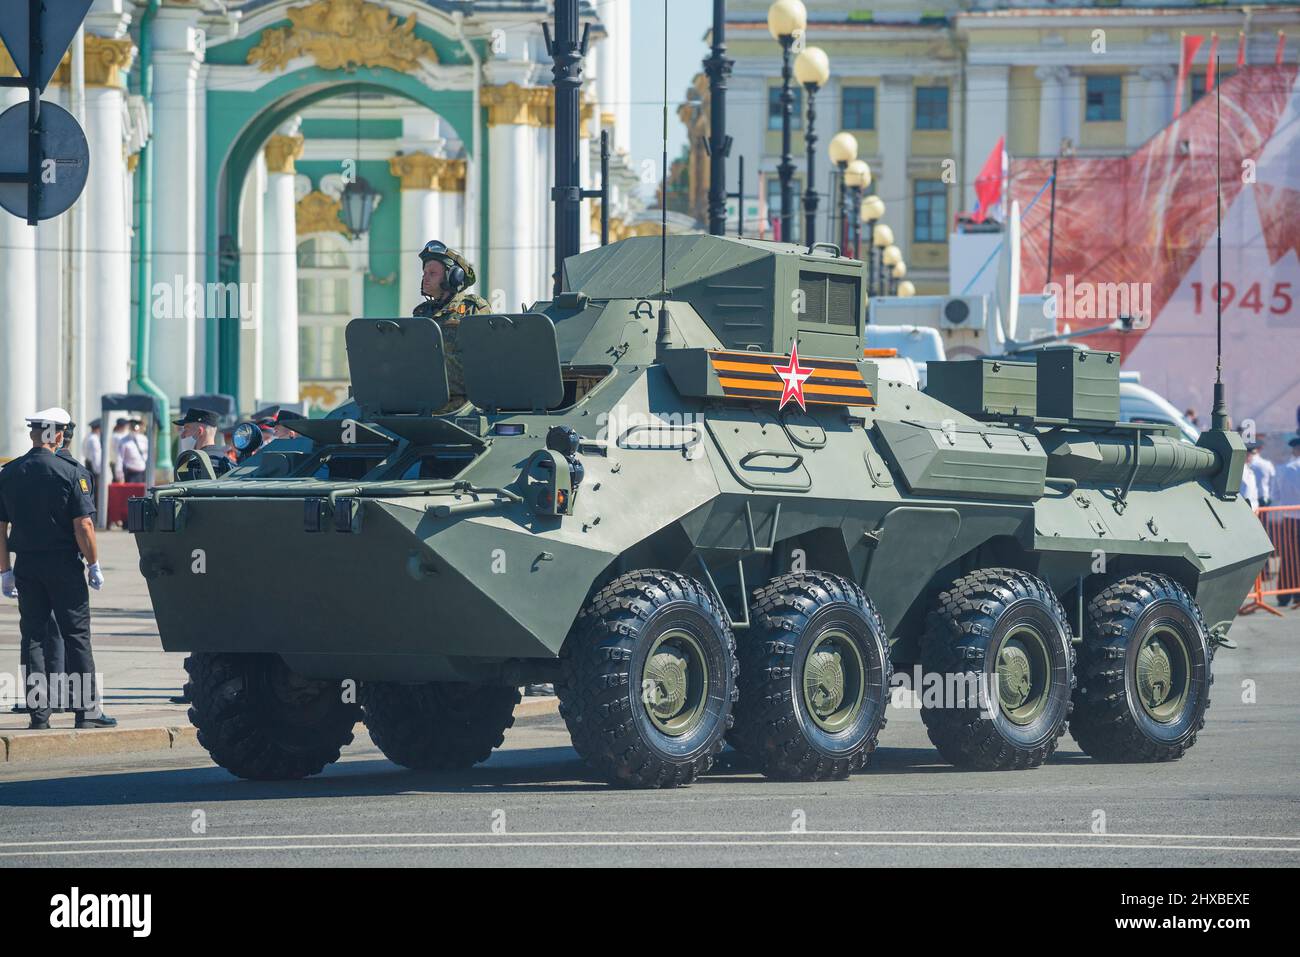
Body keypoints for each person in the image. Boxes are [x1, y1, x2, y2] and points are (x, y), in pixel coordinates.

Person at [0, 408, 115, 730]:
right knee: (76, 636)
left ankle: (40, 714)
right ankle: (86, 711)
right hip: (64, 565)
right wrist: (93, 563)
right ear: (60, 435)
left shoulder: (9, 473)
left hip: (27, 566)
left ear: (34, 434)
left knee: (33, 637)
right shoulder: (70, 472)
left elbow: (0, 528)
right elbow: (85, 524)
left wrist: (4, 571)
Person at [412, 240, 489, 411]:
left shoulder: (472, 308)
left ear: (453, 276)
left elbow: (487, 357)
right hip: (427, 404)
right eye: (424, 272)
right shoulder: (421, 313)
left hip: (466, 407)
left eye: (432, 273)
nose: (425, 277)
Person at [1271, 436, 1300, 608]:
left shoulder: (1287, 468)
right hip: (1292, 515)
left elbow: (1277, 494)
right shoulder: (1289, 468)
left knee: (1289, 558)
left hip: (1289, 517)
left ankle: (1285, 595)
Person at [174, 407, 232, 477]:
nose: (182, 435)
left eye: (186, 429)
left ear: (199, 432)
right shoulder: (227, 460)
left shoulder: (195, 465)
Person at [117, 418, 148, 484]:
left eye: (136, 426)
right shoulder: (123, 441)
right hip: (131, 474)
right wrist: (120, 475)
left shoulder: (144, 439)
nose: (134, 429)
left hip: (143, 473)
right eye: (132, 426)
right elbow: (120, 458)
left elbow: (147, 455)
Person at [1246, 442, 1275, 507]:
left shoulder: (1246, 465)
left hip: (1250, 501)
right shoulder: (1267, 464)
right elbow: (1273, 483)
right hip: (1263, 499)